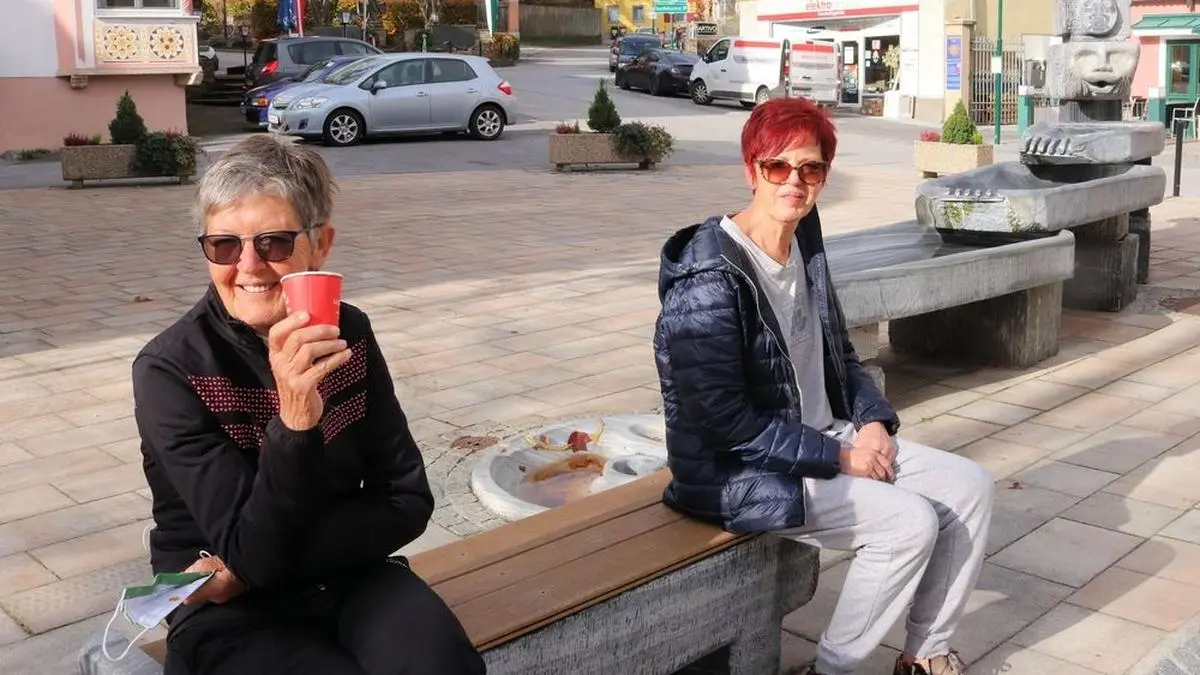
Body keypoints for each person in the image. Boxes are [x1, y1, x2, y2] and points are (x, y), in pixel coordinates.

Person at [652, 98, 994, 675]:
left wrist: (875, 422)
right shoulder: (708, 279)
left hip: (820, 437)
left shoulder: (803, 234)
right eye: (777, 167)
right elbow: (721, 424)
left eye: (810, 169)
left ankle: (925, 654)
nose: (795, 182)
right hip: (734, 472)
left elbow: (838, 353)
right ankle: (833, 669)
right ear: (750, 170)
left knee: (970, 487)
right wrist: (841, 457)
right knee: (907, 524)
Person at [131, 135, 485, 675]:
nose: (248, 266)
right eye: (224, 245)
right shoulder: (171, 370)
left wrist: (256, 564)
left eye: (272, 243)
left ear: (320, 245)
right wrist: (296, 423)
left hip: (348, 578)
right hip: (228, 612)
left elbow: (407, 499)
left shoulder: (350, 333)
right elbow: (252, 554)